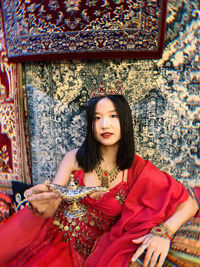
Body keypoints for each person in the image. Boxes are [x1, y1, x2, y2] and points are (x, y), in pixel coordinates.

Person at [0, 86, 198, 267]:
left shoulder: (137, 169)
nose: (105, 124)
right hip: (53, 236)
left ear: (125, 121)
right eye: (97, 118)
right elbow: (52, 205)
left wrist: (163, 233)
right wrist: (41, 200)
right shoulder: (74, 158)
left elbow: (190, 203)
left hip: (94, 254)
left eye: (113, 116)